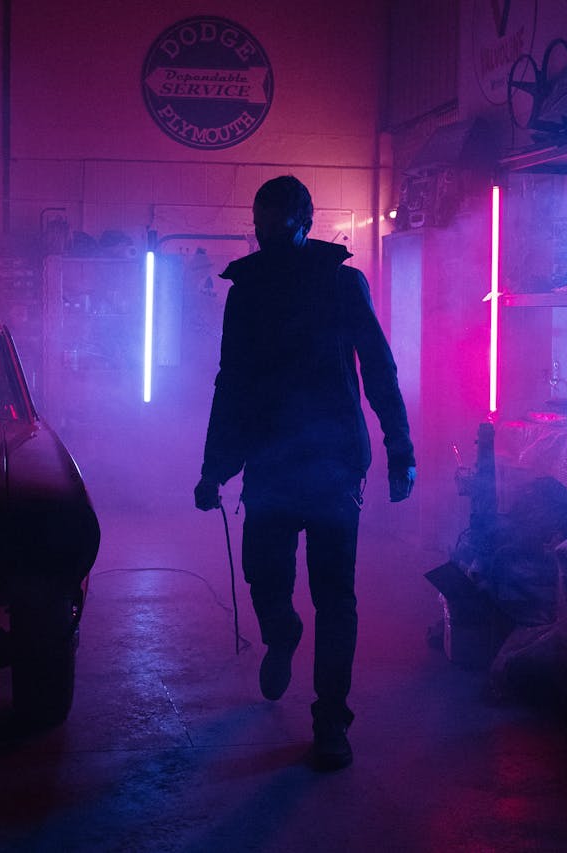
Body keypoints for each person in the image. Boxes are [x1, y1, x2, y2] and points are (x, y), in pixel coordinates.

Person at [194, 175, 415, 771]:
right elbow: (231, 382)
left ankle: (330, 720)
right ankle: (282, 629)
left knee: (335, 597)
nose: (267, 234)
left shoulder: (342, 286)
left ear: (303, 222)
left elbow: (378, 365)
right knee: (264, 575)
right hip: (270, 459)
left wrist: (400, 444)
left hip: (333, 462)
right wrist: (215, 467)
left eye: (278, 223)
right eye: (261, 223)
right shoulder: (247, 293)